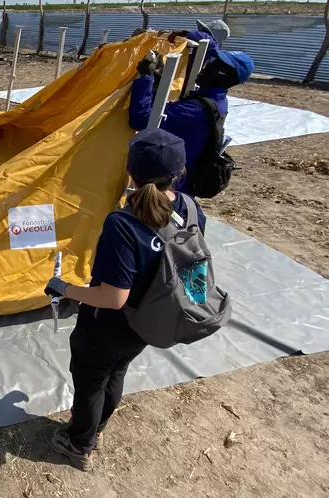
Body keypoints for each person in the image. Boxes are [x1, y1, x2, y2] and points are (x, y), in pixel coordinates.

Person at [44, 128, 207, 471]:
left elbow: (113, 296)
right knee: (116, 371)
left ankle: (79, 444)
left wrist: (63, 288)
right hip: (151, 319)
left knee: (90, 381)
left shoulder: (122, 223)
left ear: (130, 172)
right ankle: (98, 429)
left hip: (109, 325)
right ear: (180, 172)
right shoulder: (191, 208)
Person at [128, 48, 254, 194]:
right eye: (212, 61)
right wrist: (157, 83)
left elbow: (141, 120)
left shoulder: (196, 108)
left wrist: (145, 78)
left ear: (227, 76)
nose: (207, 65)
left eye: (216, 65)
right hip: (178, 178)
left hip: (170, 186)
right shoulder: (216, 101)